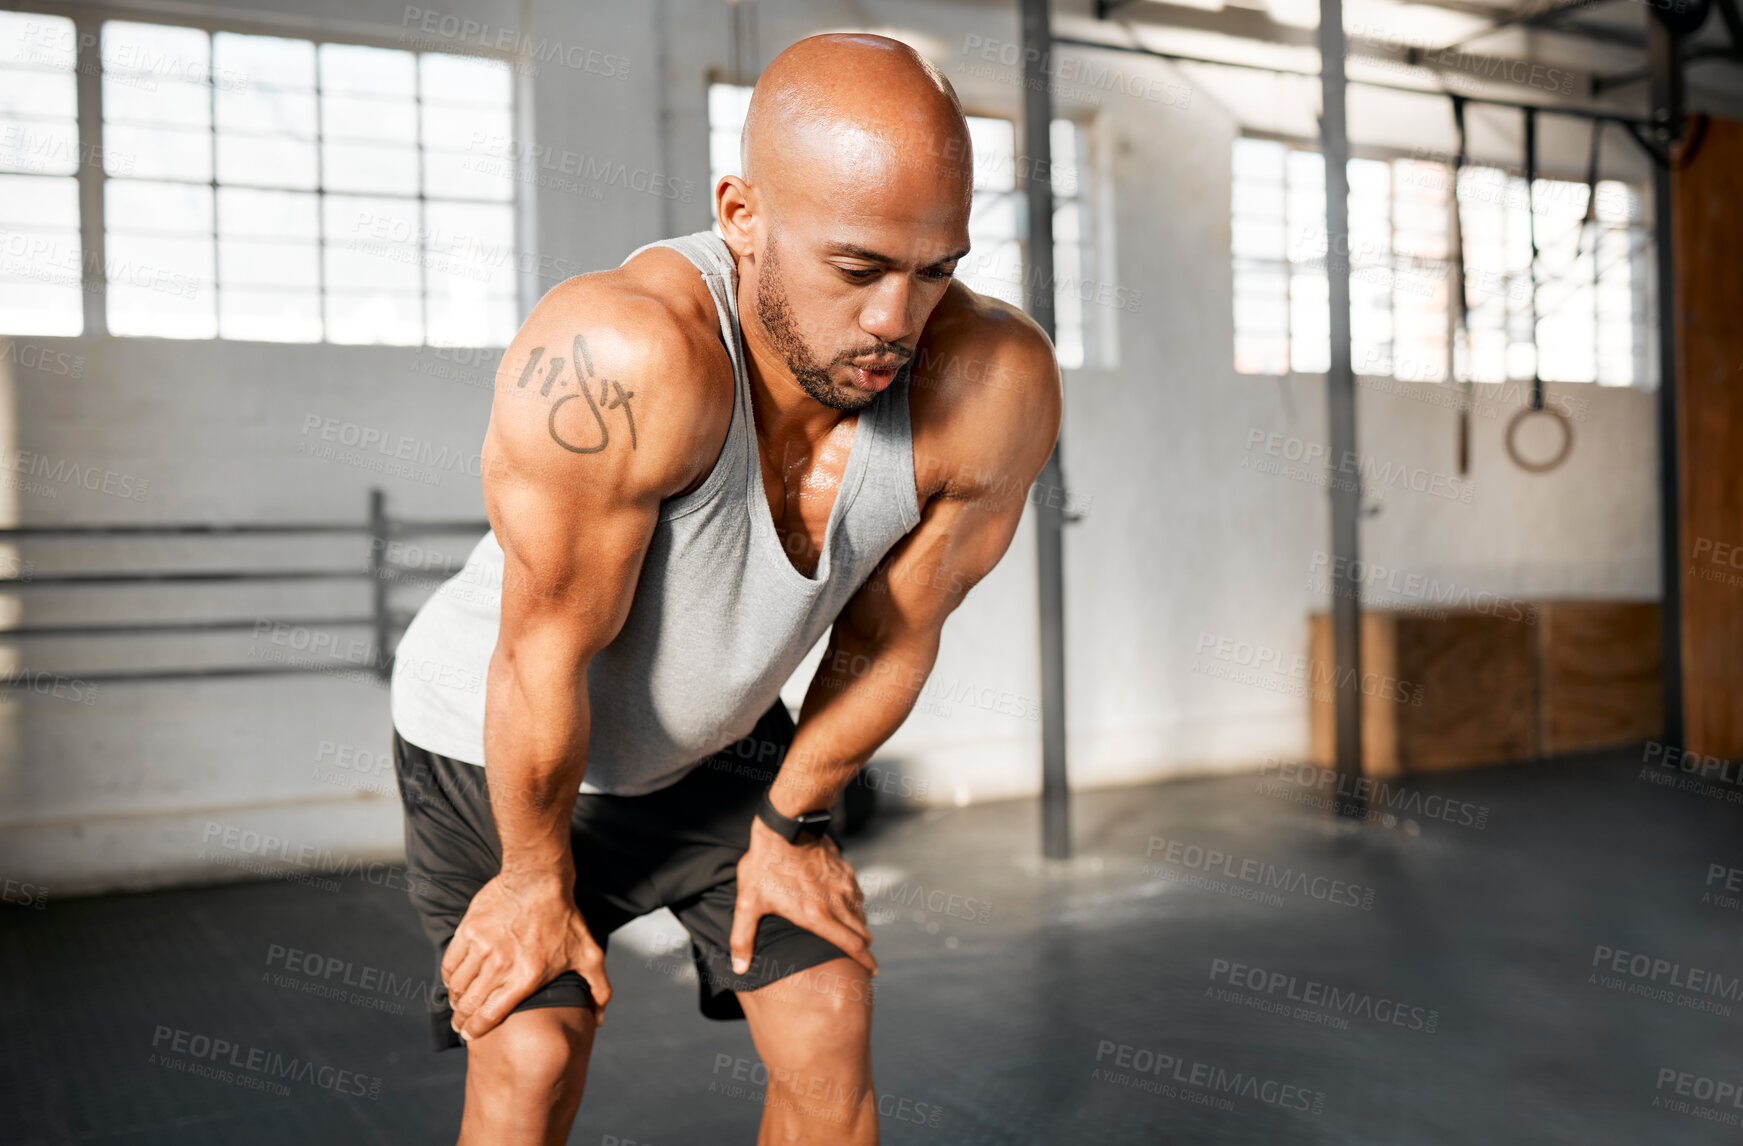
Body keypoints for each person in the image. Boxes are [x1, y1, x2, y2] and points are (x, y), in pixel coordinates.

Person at [388, 31, 1060, 1145]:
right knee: (536, 1050)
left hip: (719, 750)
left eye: (936, 268)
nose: (899, 320)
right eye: (857, 269)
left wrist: (793, 820)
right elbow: (540, 653)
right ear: (741, 214)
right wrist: (531, 879)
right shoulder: (624, 355)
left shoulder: (993, 381)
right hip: (496, 743)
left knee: (830, 1009)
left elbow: (894, 633)